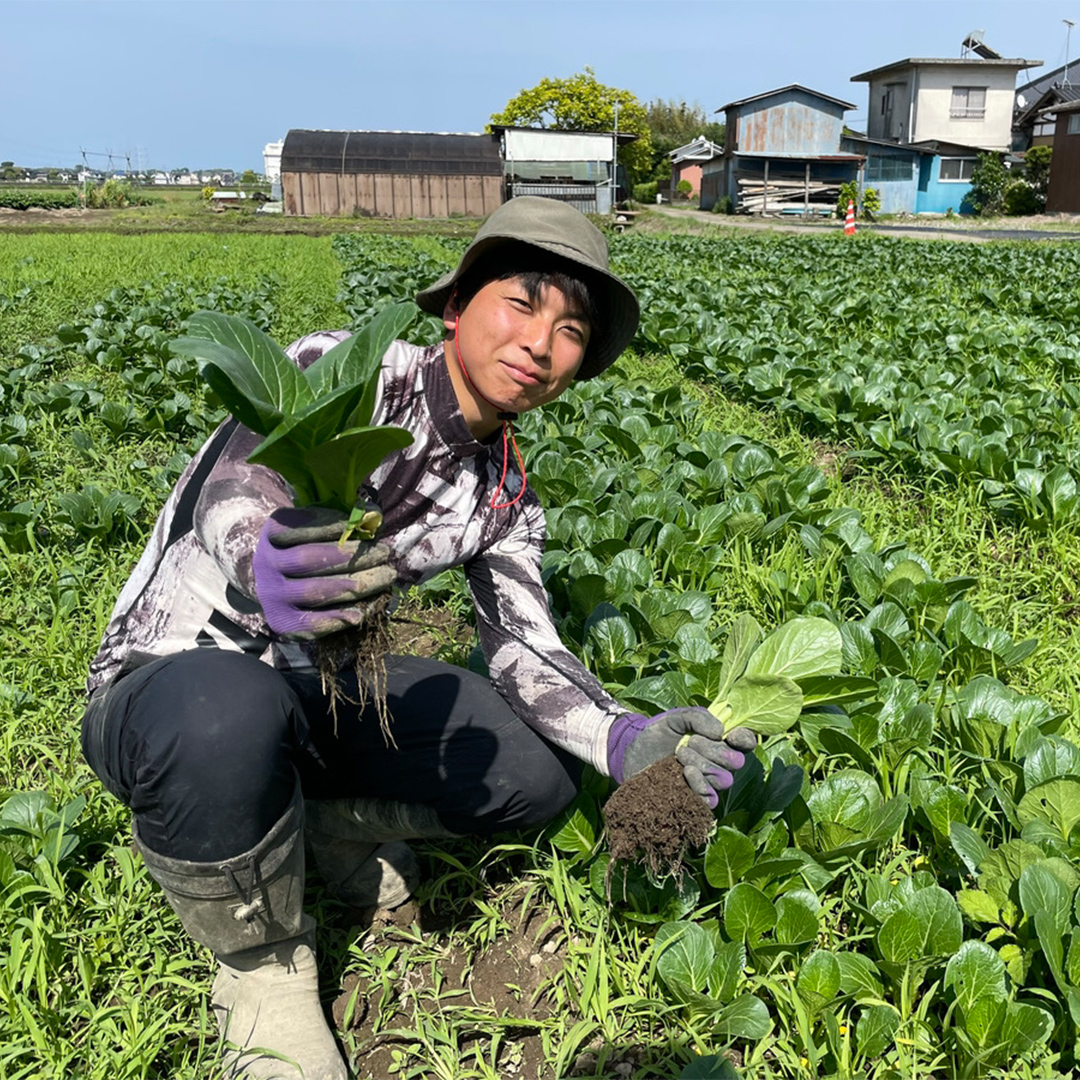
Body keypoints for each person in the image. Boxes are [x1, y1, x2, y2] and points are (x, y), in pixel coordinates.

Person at [80, 197, 755, 1080]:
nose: (541, 343)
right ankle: (261, 967)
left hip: (309, 698)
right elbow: (233, 492)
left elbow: (523, 645)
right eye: (522, 302)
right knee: (222, 707)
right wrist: (267, 562)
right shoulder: (336, 373)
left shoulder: (503, 497)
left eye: (572, 330)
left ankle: (314, 822)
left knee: (537, 772)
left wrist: (621, 735)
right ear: (456, 307)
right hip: (167, 686)